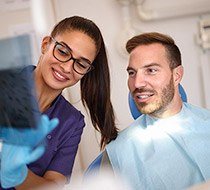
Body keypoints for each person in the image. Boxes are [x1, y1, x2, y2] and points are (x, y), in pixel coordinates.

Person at [0, 15, 118, 190]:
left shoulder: (72, 122)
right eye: (63, 51)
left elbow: (52, 187)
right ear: (46, 44)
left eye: (81, 64)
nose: (67, 67)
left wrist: (19, 174)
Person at [104, 32, 210, 190]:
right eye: (132, 73)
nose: (137, 83)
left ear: (176, 75)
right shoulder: (117, 152)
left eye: (151, 70)